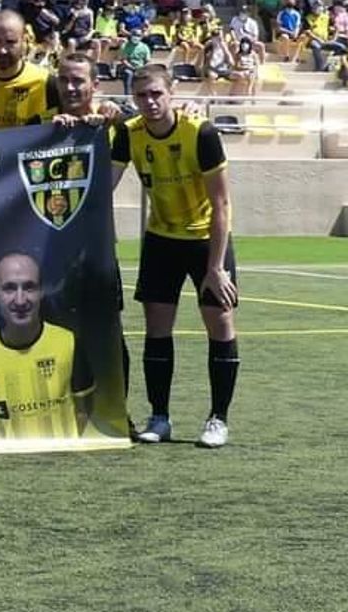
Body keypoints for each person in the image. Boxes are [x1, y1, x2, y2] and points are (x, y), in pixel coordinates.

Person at [110, 66, 239, 449]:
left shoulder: (201, 133)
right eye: (142, 96)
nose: (149, 103)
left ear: (171, 92)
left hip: (205, 241)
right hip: (161, 239)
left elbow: (222, 205)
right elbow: (105, 186)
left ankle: (218, 418)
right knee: (156, 329)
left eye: (156, 94)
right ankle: (160, 416)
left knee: (221, 324)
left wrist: (216, 268)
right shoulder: (129, 134)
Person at [0, 252, 94, 440]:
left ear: (41, 291)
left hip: (64, 462)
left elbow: (84, 410)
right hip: (12, 465)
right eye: (9, 288)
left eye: (29, 287)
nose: (20, 300)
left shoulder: (68, 343)